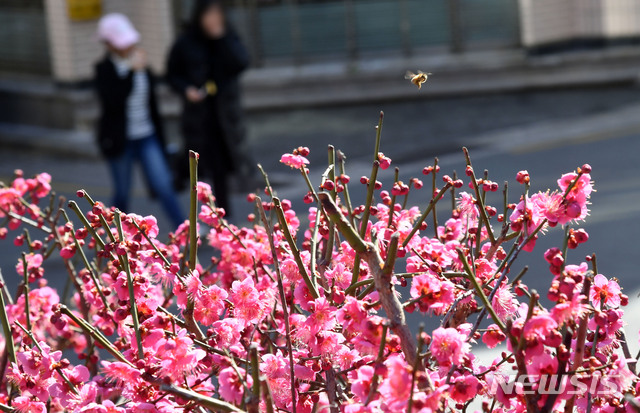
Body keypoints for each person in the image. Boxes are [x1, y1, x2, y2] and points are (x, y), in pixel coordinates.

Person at [94, 13, 184, 228]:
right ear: (109, 45)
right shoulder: (104, 69)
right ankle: (115, 237)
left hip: (147, 135)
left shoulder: (143, 67)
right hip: (120, 140)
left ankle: (184, 228)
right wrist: (132, 73)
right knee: (122, 192)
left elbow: (152, 107)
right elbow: (113, 101)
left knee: (163, 185)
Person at [167, 0, 252, 217]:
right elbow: (172, 74)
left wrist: (222, 39)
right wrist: (187, 89)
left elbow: (241, 62)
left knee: (221, 166)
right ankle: (200, 209)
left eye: (217, 14)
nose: (213, 19)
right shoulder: (186, 42)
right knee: (197, 164)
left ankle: (222, 215)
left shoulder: (228, 37)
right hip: (198, 115)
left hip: (225, 114)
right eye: (208, 14)